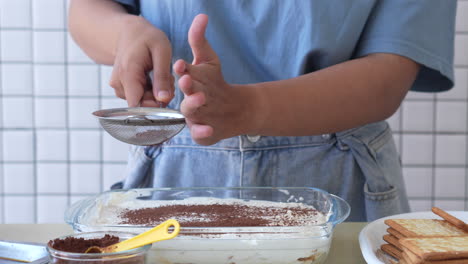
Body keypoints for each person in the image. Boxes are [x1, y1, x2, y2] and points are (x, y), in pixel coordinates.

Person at [68, 0, 457, 221]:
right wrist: (126, 33)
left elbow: (389, 76)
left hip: (340, 181)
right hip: (173, 170)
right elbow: (86, 10)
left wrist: (250, 107)